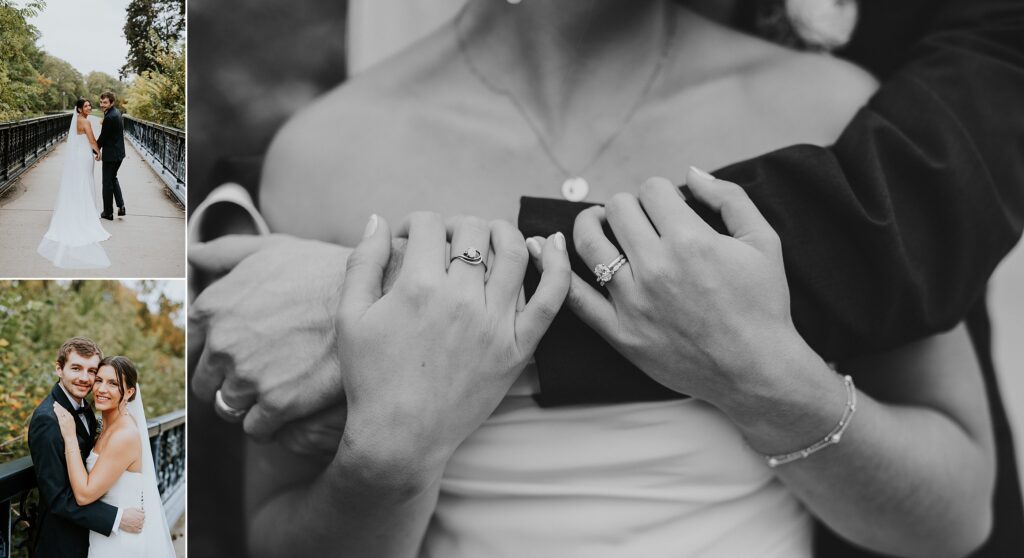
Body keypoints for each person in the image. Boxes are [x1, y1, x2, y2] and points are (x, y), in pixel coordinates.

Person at [194, 1, 998, 555]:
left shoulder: (829, 113)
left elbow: (956, 518)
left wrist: (765, 383)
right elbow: (277, 535)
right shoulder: (328, 154)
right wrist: (396, 455)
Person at [27, 338, 144, 558]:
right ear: (59, 369)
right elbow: (58, 498)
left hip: (93, 539)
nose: (84, 378)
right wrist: (117, 518)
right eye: (76, 368)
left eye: (92, 371)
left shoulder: (86, 409)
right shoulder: (48, 420)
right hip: (63, 544)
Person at [52, 355, 176, 558]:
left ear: (129, 392)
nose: (101, 389)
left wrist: (70, 437)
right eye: (99, 380)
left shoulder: (124, 435)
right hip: (105, 535)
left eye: (113, 384)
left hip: (118, 543)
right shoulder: (107, 425)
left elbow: (84, 495)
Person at [36, 100, 111, 269]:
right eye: (86, 106)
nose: (89, 108)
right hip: (85, 155)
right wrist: (98, 153)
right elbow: (92, 140)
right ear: (79, 109)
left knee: (79, 182)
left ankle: (76, 207)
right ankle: (85, 212)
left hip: (77, 155)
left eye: (90, 106)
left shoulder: (76, 120)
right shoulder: (85, 121)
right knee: (85, 181)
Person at [96, 91, 126, 220]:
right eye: (101, 102)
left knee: (107, 182)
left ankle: (108, 212)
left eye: (105, 102)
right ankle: (121, 206)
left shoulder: (109, 117)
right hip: (119, 153)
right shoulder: (116, 112)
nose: (102, 104)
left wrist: (95, 150)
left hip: (111, 155)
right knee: (113, 178)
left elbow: (103, 137)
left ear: (112, 102)